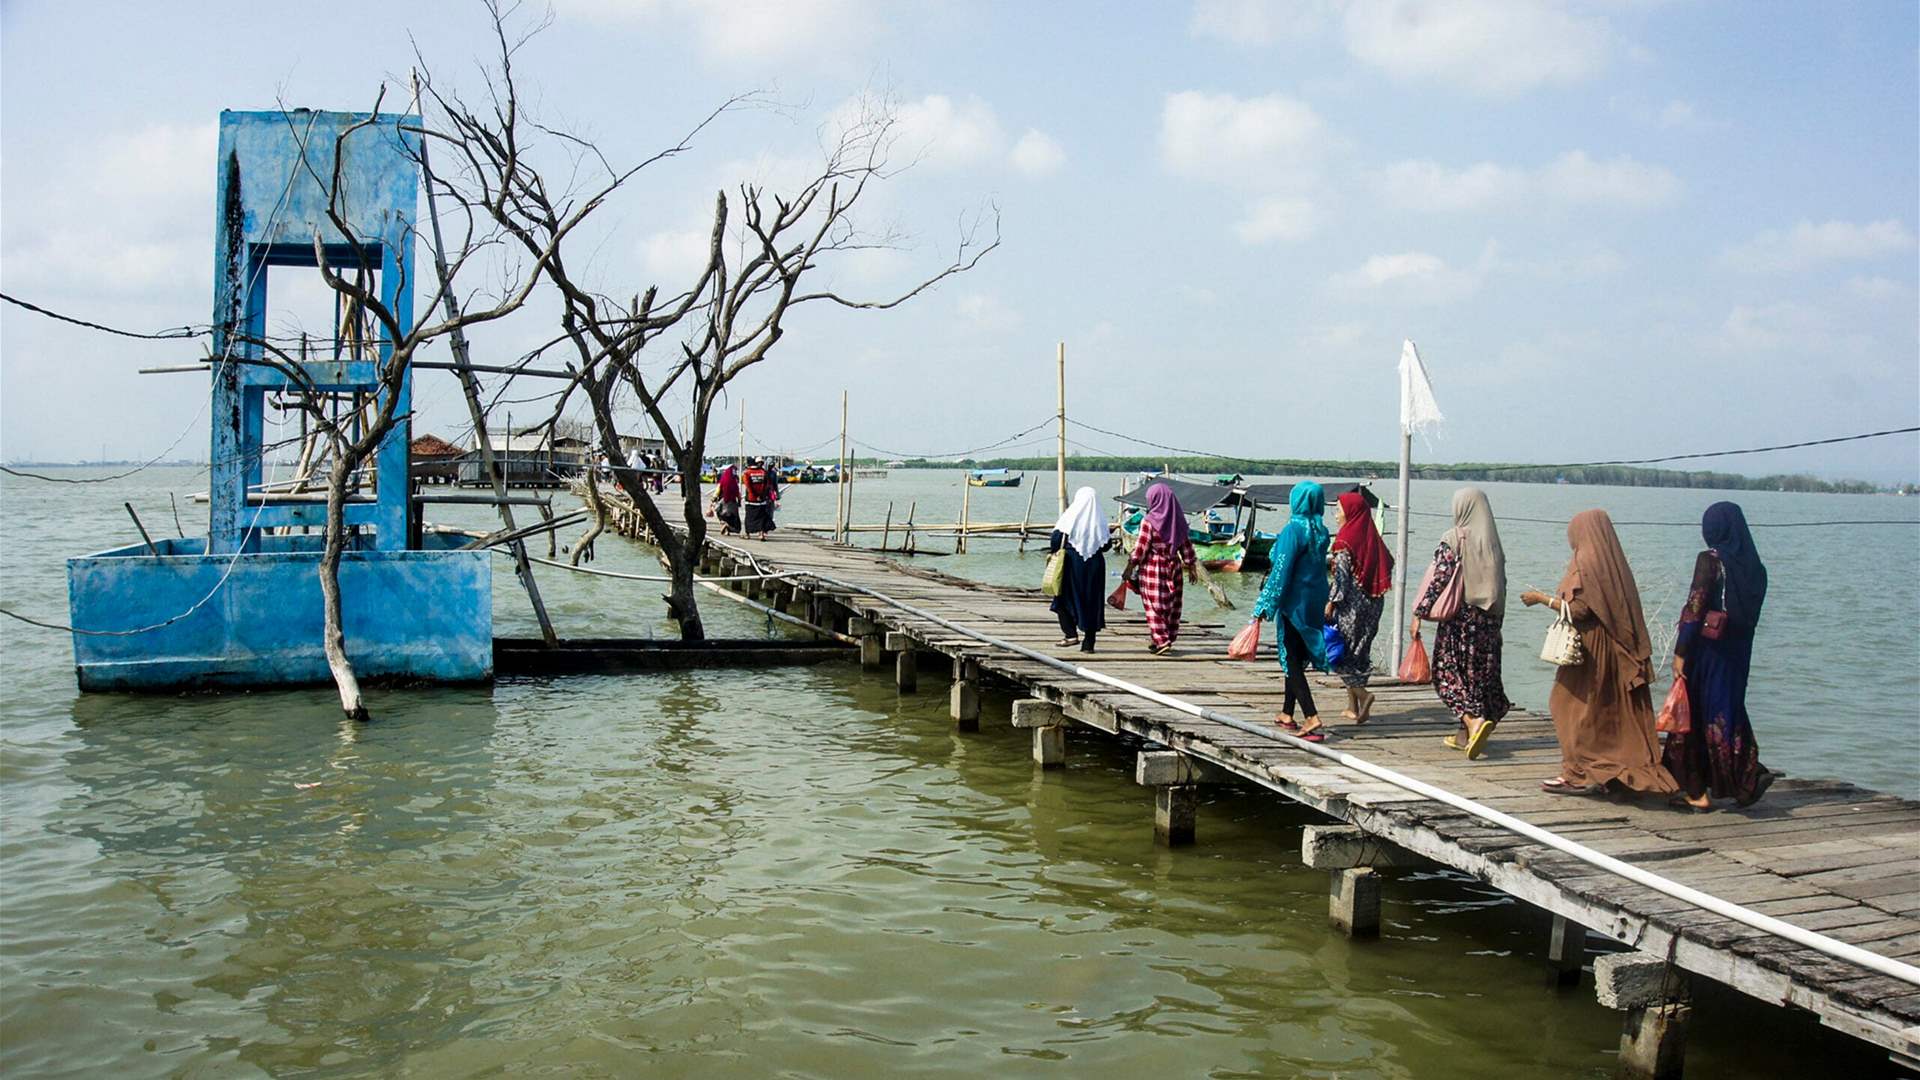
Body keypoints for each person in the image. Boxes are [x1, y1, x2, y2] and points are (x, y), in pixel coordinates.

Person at [1520, 510, 1678, 797]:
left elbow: (1581, 611)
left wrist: (1541, 599)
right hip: (1614, 650)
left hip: (1591, 650)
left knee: (1567, 707)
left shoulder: (1586, 563)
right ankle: (1605, 770)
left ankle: (1577, 774)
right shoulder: (1612, 564)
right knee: (1600, 711)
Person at [1662, 502, 1776, 810]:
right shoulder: (1755, 568)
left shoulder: (1710, 561)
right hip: (1738, 652)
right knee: (1727, 709)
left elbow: (1694, 608)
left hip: (1708, 650)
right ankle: (1745, 778)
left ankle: (1699, 791)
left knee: (1696, 712)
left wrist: (1680, 653)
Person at [1412, 487, 1512, 759]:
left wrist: (1419, 613)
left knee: (1448, 675)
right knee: (1477, 680)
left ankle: (1472, 721)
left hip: (1461, 621)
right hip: (1489, 622)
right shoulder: (1494, 544)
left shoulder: (1455, 538)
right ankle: (1463, 736)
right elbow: (1502, 587)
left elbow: (1439, 579)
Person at [1253, 482, 1331, 741]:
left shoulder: (1293, 531)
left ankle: (1311, 716)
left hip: (1294, 603)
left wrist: (1265, 605)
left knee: (1291, 659)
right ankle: (1287, 712)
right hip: (1313, 602)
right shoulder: (1322, 532)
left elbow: (1281, 571)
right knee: (1296, 656)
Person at [1327, 489, 1393, 723]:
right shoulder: (1371, 538)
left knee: (1341, 654)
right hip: (1374, 604)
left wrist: (1330, 602)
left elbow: (1341, 578)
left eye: (1339, 510)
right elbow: (1389, 562)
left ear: (1351, 513)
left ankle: (1363, 696)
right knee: (1360, 653)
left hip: (1351, 607)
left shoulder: (1344, 541)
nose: (1336, 515)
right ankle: (1353, 706)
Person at [1123, 482, 1198, 655]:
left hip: (1153, 568)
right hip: (1174, 567)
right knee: (1172, 605)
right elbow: (1186, 546)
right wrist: (1192, 565)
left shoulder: (1148, 522)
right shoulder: (1178, 521)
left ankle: (1161, 640)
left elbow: (1141, 549)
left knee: (1154, 605)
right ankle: (1164, 638)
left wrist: (1130, 566)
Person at [1048, 486, 1112, 652]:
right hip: (1095, 566)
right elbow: (1107, 546)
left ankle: (1070, 634)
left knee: (1062, 598)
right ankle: (1088, 643)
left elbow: (1055, 541)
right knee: (1092, 602)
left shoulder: (1069, 518)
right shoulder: (1100, 521)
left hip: (1071, 564)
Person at [741, 457, 779, 540]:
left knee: (749, 517)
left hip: (751, 500)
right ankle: (761, 534)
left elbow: (748, 487)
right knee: (762, 516)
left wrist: (755, 496)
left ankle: (747, 534)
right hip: (762, 499)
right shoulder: (763, 472)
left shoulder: (747, 473)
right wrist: (762, 495)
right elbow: (767, 485)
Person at [708, 463, 742, 536]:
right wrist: (739, 502)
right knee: (735, 524)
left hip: (722, 503)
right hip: (732, 504)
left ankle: (726, 528)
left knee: (722, 517)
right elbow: (738, 493)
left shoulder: (723, 481)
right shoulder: (734, 482)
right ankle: (728, 529)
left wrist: (713, 500)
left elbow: (717, 491)